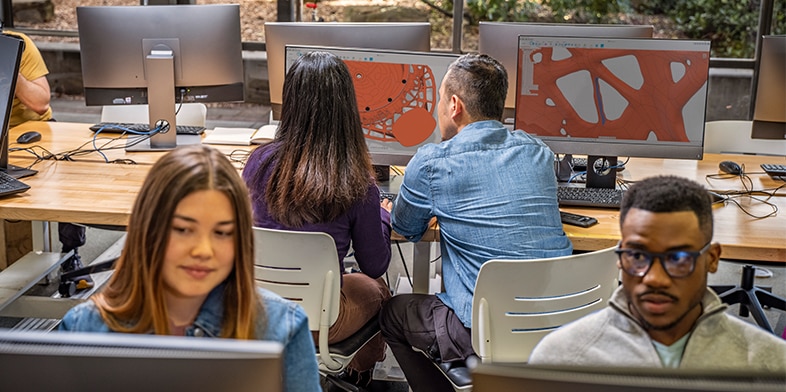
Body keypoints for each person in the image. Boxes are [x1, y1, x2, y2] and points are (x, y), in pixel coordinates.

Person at [378, 53, 573, 392]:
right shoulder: (540, 152)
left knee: (393, 313)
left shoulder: (432, 162)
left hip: (483, 332)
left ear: (454, 105)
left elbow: (407, 228)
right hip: (556, 322)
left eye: (439, 99)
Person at [60, 145, 321, 392]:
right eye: (183, 230)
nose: (203, 251)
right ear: (149, 231)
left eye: (222, 233)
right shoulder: (84, 329)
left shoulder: (283, 328)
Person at [528, 175, 786, 371]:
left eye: (678, 258)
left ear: (712, 259)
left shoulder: (769, 366)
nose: (654, 278)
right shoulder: (561, 359)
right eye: (638, 256)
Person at [242, 51, 392, 387]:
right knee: (379, 290)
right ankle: (359, 374)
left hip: (257, 313)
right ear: (346, 108)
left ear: (291, 102)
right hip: (320, 324)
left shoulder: (256, 163)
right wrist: (382, 216)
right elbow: (374, 263)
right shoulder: (356, 180)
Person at [2, 28, 89, 289]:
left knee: (67, 173)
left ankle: (72, 254)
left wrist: (9, 66)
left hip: (35, 129)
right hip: (1, 136)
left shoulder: (18, 43)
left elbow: (40, 102)